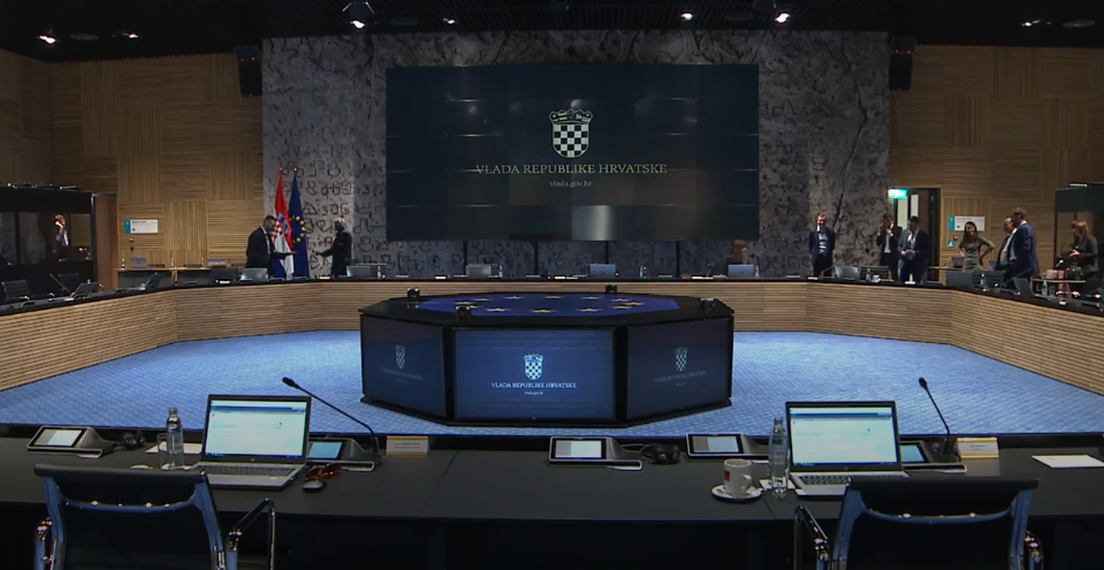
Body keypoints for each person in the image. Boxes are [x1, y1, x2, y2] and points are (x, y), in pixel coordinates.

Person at [1009, 207, 1039, 279]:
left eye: (1013, 217)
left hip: (1024, 267)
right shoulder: (1022, 229)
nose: (1011, 220)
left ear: (1019, 216)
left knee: (1022, 284)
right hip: (1021, 266)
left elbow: (1026, 248)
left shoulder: (1025, 229)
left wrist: (1018, 262)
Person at [900, 215, 930, 283]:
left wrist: (914, 253)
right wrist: (903, 252)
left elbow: (927, 252)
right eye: (908, 225)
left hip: (917, 264)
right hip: (905, 263)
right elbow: (899, 245)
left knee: (917, 282)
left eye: (911, 225)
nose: (909, 227)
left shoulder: (924, 236)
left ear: (917, 225)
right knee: (902, 282)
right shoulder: (904, 233)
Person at [875, 214, 901, 281]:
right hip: (884, 254)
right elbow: (878, 243)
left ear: (892, 220)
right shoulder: (883, 229)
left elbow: (898, 241)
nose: (886, 223)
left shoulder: (898, 229)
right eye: (885, 221)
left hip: (893, 255)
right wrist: (879, 233)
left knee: (894, 274)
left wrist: (891, 234)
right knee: (882, 273)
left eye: (888, 220)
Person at [808, 212, 835, 278]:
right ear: (817, 221)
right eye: (820, 221)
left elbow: (832, 245)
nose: (822, 222)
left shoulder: (830, 233)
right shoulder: (813, 233)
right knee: (816, 276)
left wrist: (827, 252)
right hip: (817, 258)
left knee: (827, 277)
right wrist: (815, 252)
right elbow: (811, 245)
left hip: (827, 258)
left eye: (823, 221)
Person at [995, 217, 1015, 284]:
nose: (1004, 227)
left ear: (1012, 224)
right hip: (1002, 268)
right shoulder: (1007, 237)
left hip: (1009, 269)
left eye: (1006, 225)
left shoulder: (1015, 237)